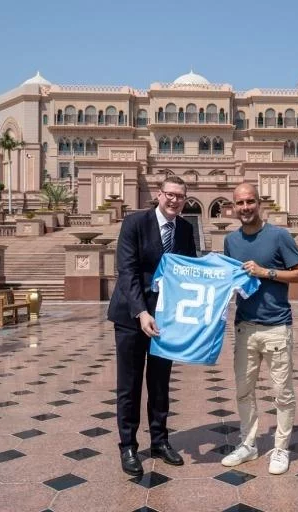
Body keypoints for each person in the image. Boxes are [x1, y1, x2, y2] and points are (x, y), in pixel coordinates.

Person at [107, 175, 197, 477]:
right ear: (159, 195)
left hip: (165, 320)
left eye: (180, 196)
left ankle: (159, 440)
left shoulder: (185, 229)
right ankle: (128, 446)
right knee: (129, 384)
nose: (174, 200)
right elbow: (127, 270)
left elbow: (188, 272)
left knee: (160, 383)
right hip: (132, 317)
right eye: (170, 194)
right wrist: (141, 312)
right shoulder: (135, 223)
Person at [222, 183, 298, 475]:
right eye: (240, 203)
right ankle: (248, 444)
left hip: (276, 327)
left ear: (259, 203)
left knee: (282, 392)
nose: (245, 207)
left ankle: (281, 448)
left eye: (250, 201)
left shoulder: (279, 236)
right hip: (245, 327)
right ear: (234, 207)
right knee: (244, 391)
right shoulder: (231, 241)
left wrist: (265, 272)